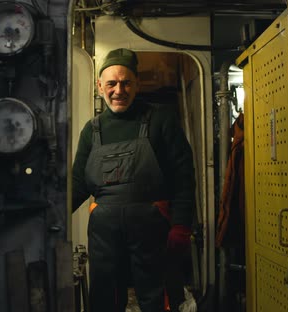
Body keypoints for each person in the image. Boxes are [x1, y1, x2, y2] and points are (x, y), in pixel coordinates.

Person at [72, 48, 196, 312]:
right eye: (112, 83)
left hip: (151, 228)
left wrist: (182, 225)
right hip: (104, 231)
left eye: (126, 82)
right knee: (104, 297)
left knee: (155, 296)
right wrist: (53, 220)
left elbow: (183, 177)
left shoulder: (160, 119)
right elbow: (78, 182)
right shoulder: (92, 129)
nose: (119, 90)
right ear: (100, 86)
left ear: (137, 84)